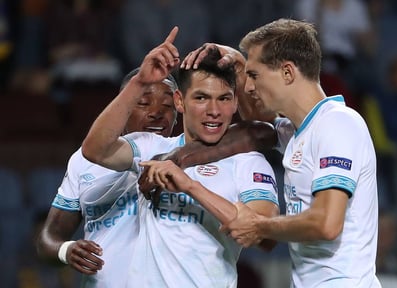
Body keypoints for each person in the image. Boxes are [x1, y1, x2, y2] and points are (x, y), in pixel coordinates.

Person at [181, 18, 381, 287]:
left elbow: (326, 223)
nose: (249, 87)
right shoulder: (299, 132)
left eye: (254, 76)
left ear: (287, 73)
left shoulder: (338, 124)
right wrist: (240, 66)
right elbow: (255, 124)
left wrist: (258, 225)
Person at [81, 26, 279, 287]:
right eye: (201, 98)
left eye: (224, 99)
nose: (214, 110)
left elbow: (265, 236)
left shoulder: (249, 162)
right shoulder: (152, 148)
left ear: (234, 104)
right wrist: (140, 81)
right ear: (179, 102)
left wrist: (189, 186)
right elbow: (95, 149)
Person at [36, 67, 178, 287]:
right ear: (122, 109)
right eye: (143, 103)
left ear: (178, 113)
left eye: (167, 106)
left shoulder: (191, 156)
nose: (156, 112)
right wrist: (66, 250)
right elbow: (48, 239)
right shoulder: (83, 161)